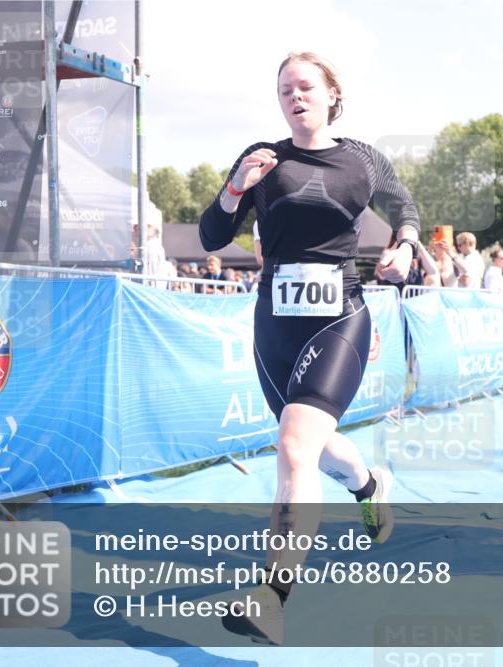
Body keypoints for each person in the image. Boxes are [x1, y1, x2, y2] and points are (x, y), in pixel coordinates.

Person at [198, 51, 419, 644]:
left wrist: (404, 245)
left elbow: (404, 209)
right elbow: (212, 236)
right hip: (275, 324)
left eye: (305, 87)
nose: (294, 97)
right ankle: (368, 485)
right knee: (310, 448)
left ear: (331, 94)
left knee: (294, 447)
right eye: (284, 90)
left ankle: (271, 598)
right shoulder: (263, 159)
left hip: (338, 318)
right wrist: (234, 190)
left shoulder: (362, 158)